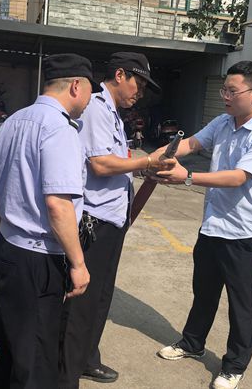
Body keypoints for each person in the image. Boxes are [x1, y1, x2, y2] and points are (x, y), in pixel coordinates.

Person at [155, 61, 252, 389]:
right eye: (223, 89)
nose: (225, 96)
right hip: (212, 226)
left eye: (232, 91)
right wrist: (154, 158)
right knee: (204, 292)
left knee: (241, 303)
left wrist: (187, 177)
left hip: (244, 232)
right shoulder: (223, 122)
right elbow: (191, 144)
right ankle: (192, 343)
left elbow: (239, 177)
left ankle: (234, 365)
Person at [0, 54, 101, 389]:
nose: (89, 101)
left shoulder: (13, 121)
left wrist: (7, 220)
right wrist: (78, 263)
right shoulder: (59, 129)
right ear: (76, 86)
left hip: (9, 245)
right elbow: (58, 204)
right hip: (38, 256)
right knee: (36, 355)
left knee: (9, 341)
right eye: (90, 92)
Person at [59, 52, 172, 388]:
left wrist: (145, 169)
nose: (141, 92)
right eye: (139, 83)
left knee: (101, 297)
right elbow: (100, 163)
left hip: (111, 219)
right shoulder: (96, 108)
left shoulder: (113, 114)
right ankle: (66, 372)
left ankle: (86, 358)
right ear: (120, 75)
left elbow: (117, 162)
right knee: (83, 303)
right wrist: (147, 161)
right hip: (94, 221)